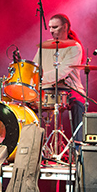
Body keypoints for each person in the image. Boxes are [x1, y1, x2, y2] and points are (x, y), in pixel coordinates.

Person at [33, 13, 86, 144]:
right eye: (50, 27)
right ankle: (32, 146)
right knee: (26, 102)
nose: (51, 30)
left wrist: (40, 80)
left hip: (68, 88)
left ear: (65, 27)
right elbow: (34, 67)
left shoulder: (74, 46)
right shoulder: (45, 46)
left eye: (55, 27)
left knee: (79, 101)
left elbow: (62, 72)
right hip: (46, 87)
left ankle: (78, 148)